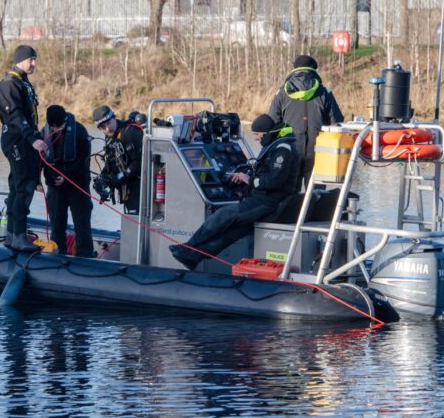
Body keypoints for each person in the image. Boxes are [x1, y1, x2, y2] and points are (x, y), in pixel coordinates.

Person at [169, 116, 299, 271]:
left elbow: (274, 181)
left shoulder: (283, 149)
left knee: (223, 215)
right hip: (263, 198)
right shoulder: (277, 146)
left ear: (267, 133)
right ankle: (193, 257)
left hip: (268, 201)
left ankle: (188, 246)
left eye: (257, 135)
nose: (256, 139)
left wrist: (249, 179)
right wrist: (246, 176)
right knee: (231, 234)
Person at [0, 44, 49, 253]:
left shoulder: (23, 83)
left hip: (25, 138)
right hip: (16, 139)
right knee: (24, 186)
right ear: (20, 60)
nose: (34, 64)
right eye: (31, 60)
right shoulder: (8, 85)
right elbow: (15, 116)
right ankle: (18, 236)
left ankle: (12, 235)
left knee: (17, 185)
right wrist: (32, 139)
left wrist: (35, 137)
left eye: (35, 59)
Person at [267, 55, 344, 190]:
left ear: (295, 70)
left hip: (289, 152)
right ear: (314, 70)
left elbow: (272, 123)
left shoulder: (281, 93)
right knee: (316, 198)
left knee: (289, 197)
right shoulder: (324, 92)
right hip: (318, 152)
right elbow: (337, 123)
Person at [41, 104, 95, 257]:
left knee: (82, 224)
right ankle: (57, 256)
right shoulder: (44, 133)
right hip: (56, 188)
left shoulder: (80, 132)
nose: (57, 130)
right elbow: (40, 160)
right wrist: (43, 180)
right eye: (54, 127)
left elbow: (83, 161)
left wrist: (66, 177)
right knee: (57, 226)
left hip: (77, 185)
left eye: (60, 126)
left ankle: (86, 258)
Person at [91, 105, 144, 214]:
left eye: (109, 123)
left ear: (114, 117)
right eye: (102, 127)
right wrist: (102, 180)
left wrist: (119, 177)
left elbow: (139, 163)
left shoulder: (130, 132)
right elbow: (111, 162)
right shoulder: (111, 137)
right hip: (128, 192)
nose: (107, 129)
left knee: (134, 225)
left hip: (140, 190)